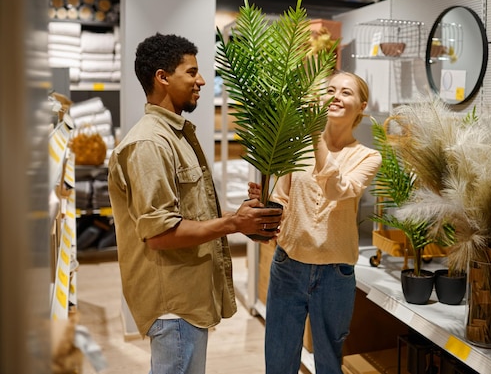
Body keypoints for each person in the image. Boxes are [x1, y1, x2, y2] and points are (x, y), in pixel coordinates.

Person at [108, 33, 282, 374]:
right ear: (162, 77)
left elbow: (190, 211)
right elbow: (159, 234)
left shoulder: (175, 135)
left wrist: (243, 217)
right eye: (191, 72)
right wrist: (233, 223)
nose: (201, 80)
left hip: (186, 297)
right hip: (173, 304)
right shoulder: (149, 144)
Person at [248, 71, 382, 374]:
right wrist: (267, 205)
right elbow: (283, 198)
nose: (336, 96)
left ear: (362, 106)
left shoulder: (368, 157)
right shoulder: (296, 148)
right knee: (279, 360)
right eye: (331, 89)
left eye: (346, 92)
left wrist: (314, 137)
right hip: (288, 265)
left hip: (335, 275)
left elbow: (338, 190)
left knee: (328, 363)